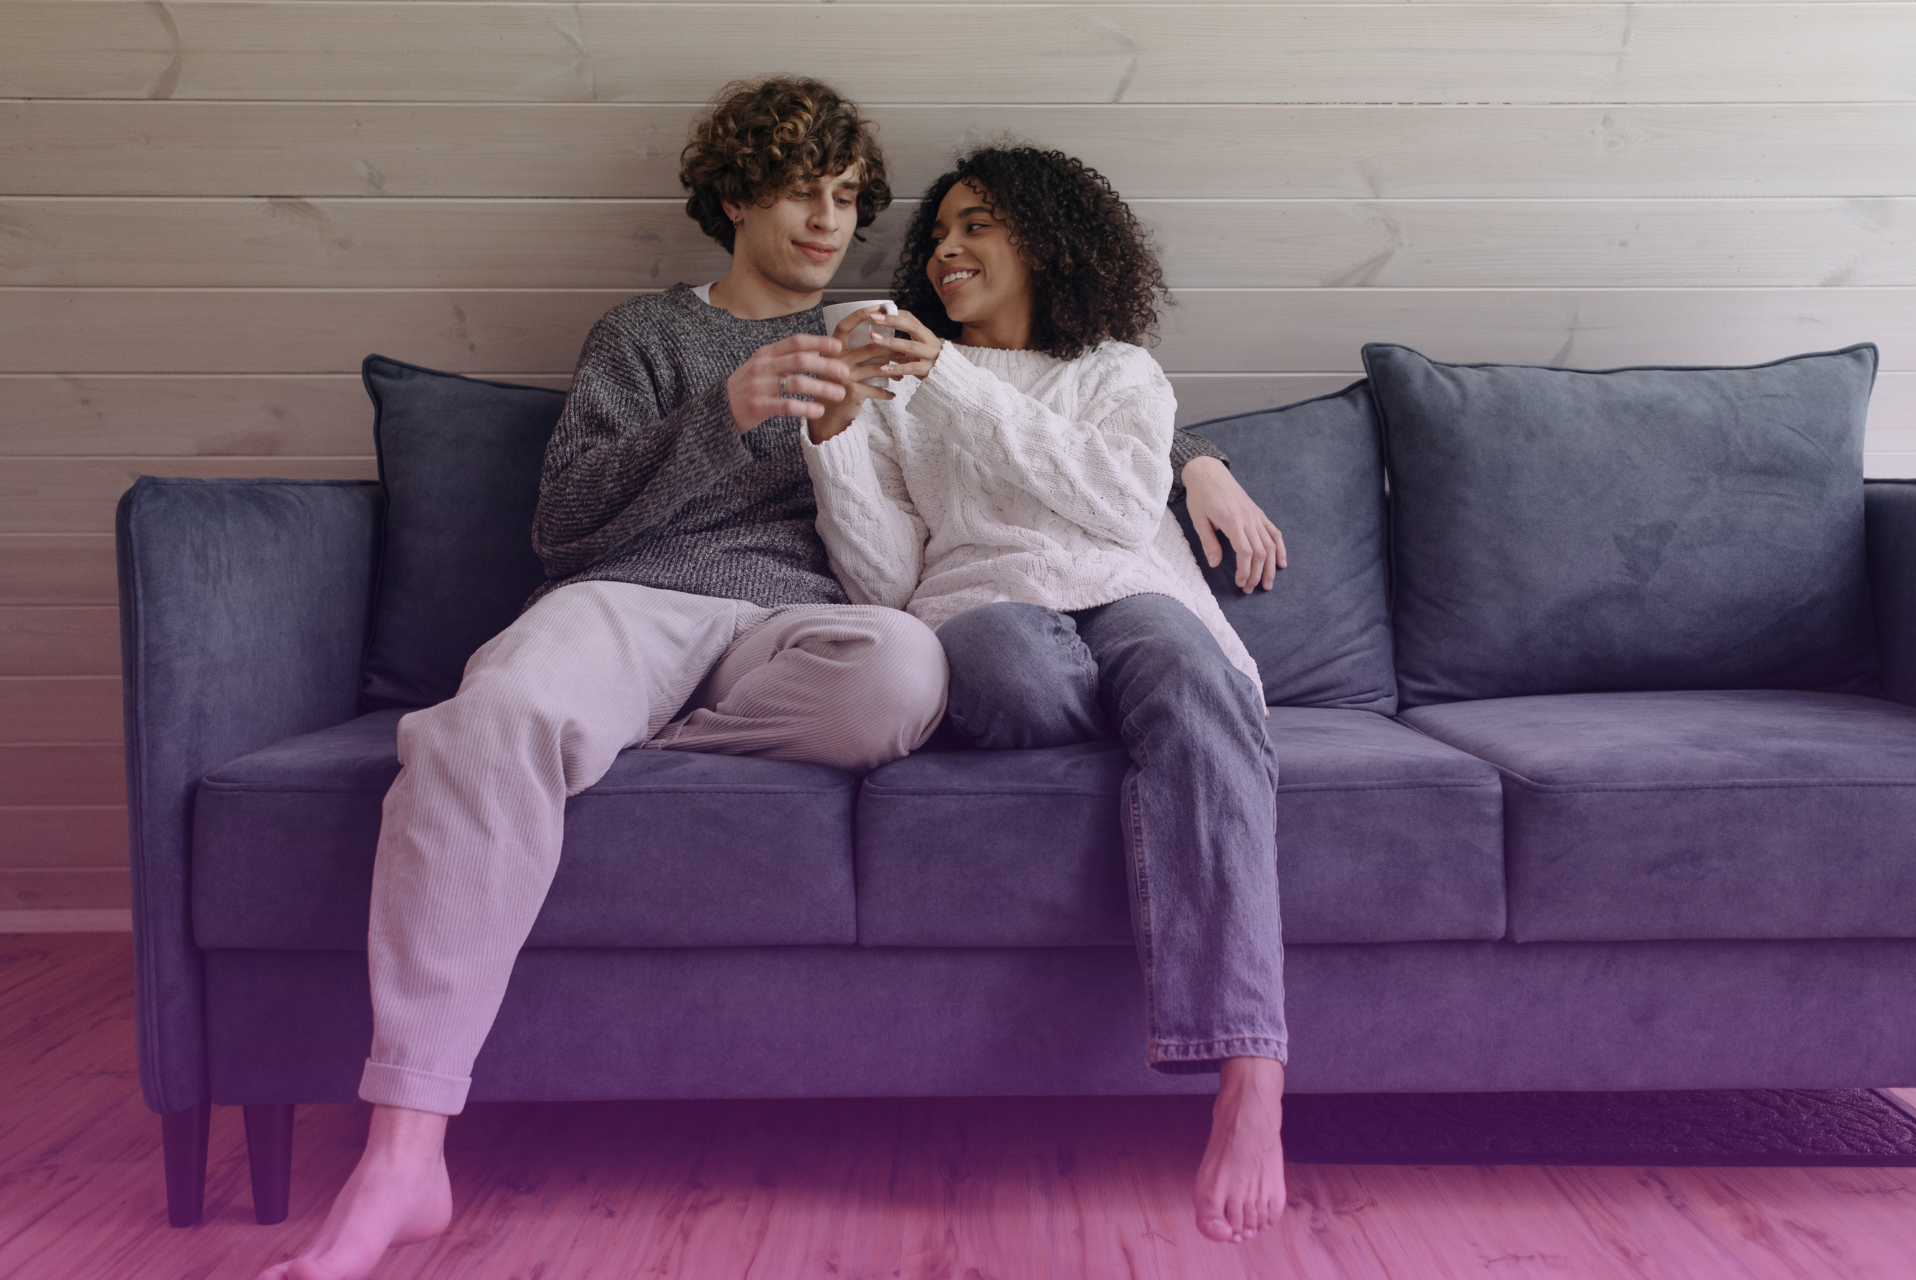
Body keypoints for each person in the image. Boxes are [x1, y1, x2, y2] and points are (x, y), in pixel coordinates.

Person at [257, 79, 1282, 1280]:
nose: (828, 219)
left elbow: (1041, 420)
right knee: (502, 720)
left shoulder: (899, 343)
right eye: (802, 190)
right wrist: (724, 410)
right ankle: (403, 1150)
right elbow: (561, 525)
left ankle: (598, 749)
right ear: (736, 195)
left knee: (906, 670)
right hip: (635, 602)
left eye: (849, 197)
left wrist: (1196, 460)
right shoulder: (646, 335)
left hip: (802, 626)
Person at [801, 145, 1291, 1246]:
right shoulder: (900, 385)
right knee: (1010, 676)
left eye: (977, 225)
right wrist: (833, 442)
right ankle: (1145, 732)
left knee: (1194, 683)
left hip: (1132, 589)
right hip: (984, 601)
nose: (946, 249)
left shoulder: (1119, 370)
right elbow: (884, 576)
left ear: (1046, 241)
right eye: (939, 234)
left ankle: (1252, 1075)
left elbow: (1122, 506)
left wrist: (955, 375)